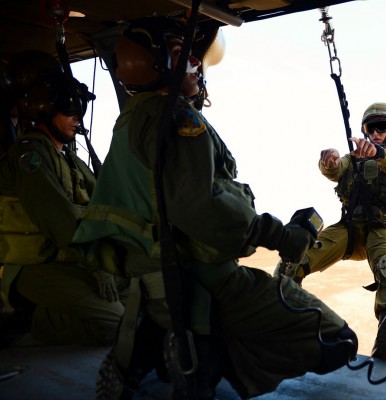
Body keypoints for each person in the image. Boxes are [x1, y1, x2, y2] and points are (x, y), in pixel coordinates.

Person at [72, 16, 358, 399]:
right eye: (180, 54)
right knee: (338, 340)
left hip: (152, 284)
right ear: (158, 65)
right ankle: (204, 354)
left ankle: (154, 340)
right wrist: (283, 236)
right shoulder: (177, 117)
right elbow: (200, 207)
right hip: (204, 279)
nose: (194, 61)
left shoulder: (130, 119)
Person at [276, 102, 386, 363]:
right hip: (350, 230)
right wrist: (329, 161)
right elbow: (336, 170)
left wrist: (380, 154)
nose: (376, 132)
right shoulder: (355, 157)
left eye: (382, 126)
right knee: (294, 258)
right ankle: (281, 317)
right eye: (370, 127)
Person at [0, 68, 125, 346]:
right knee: (118, 325)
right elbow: (63, 223)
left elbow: (104, 204)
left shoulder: (70, 159)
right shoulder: (31, 156)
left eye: (80, 108)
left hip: (71, 262)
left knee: (141, 298)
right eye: (70, 108)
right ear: (44, 107)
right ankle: (35, 321)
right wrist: (101, 266)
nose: (77, 117)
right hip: (31, 269)